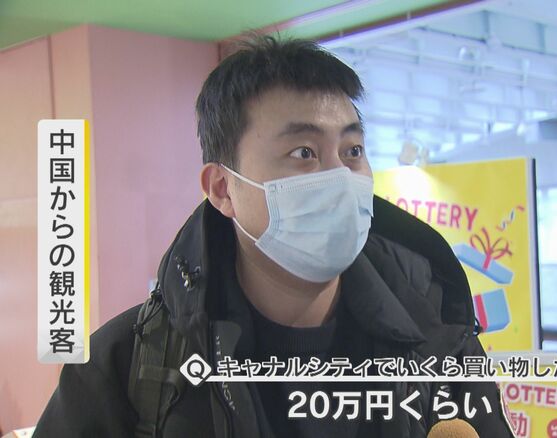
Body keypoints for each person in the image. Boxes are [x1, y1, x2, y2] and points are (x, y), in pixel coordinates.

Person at [33, 35, 514, 438]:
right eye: (304, 152)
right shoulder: (127, 366)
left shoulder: (439, 342)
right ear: (223, 189)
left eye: (352, 150)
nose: (340, 177)